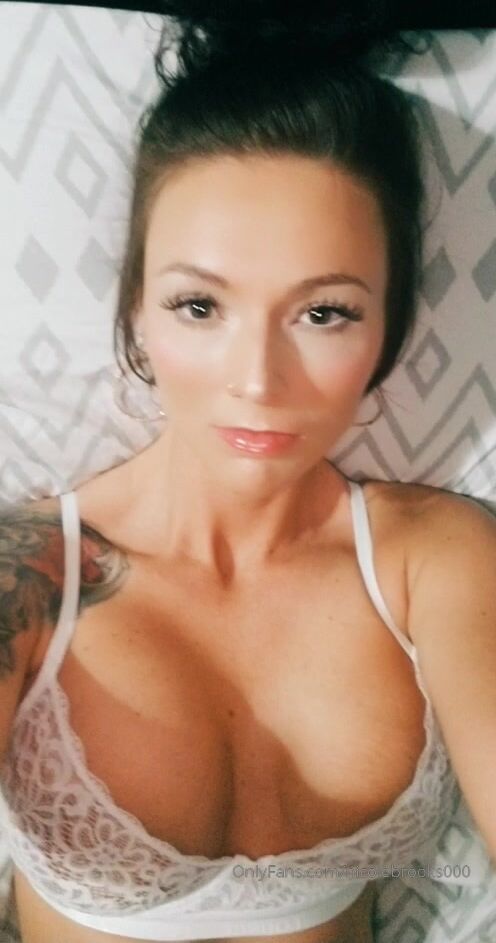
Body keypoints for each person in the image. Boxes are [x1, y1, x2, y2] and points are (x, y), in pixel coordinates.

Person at [1, 2, 495, 942]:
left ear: (389, 329)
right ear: (136, 313)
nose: (259, 381)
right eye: (199, 305)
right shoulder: (27, 575)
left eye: (325, 313)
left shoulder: (434, 557)